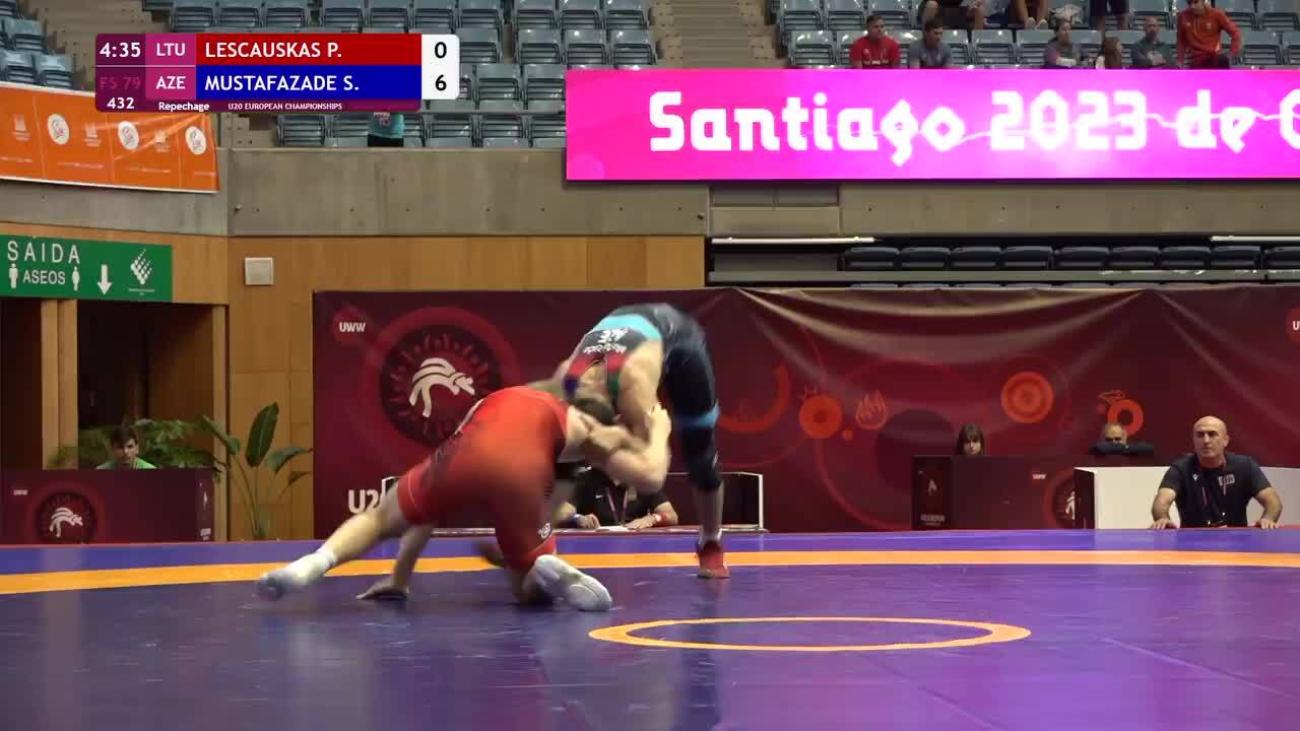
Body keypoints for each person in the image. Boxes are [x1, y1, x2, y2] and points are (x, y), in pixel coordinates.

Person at [255, 386, 674, 611]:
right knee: (526, 589)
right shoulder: (580, 428)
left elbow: (426, 517)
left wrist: (401, 577)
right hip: (523, 472)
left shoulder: (495, 402)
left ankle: (313, 563)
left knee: (380, 518)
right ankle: (541, 570)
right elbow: (650, 472)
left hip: (464, 453)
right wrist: (660, 432)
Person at [542, 302, 729, 579]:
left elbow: (652, 476)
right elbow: (559, 468)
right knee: (561, 458)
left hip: (680, 339)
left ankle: (711, 540)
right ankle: (539, 537)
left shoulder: (634, 389)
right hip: (623, 327)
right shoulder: (563, 387)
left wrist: (658, 433)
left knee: (699, 452)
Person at [1149, 416, 1282, 530]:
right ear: (1193, 440)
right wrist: (1162, 518)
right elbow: (1162, 500)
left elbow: (1273, 502)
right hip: (1192, 542)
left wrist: (1268, 518)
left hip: (1237, 541)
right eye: (1200, 435)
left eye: (1212, 434)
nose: (1206, 441)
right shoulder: (1180, 468)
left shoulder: (1245, 466)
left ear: (1225, 440)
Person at [557, 464, 679, 530]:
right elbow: (561, 513)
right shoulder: (587, 479)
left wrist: (653, 519)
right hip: (596, 542)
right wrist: (578, 518)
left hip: (635, 542)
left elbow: (671, 516)